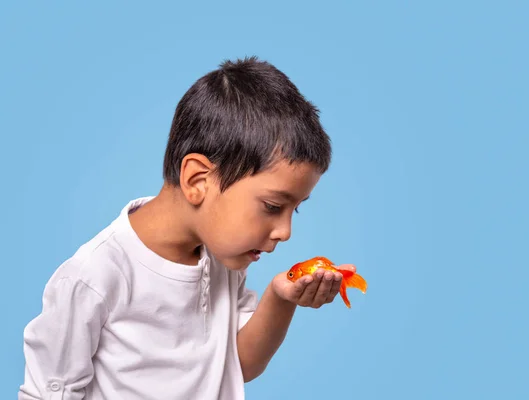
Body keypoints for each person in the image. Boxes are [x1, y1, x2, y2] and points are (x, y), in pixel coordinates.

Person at [18, 56, 355, 400]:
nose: (285, 232)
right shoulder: (92, 277)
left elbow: (239, 365)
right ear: (197, 180)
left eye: (293, 211)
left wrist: (281, 298)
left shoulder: (223, 259)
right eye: (272, 206)